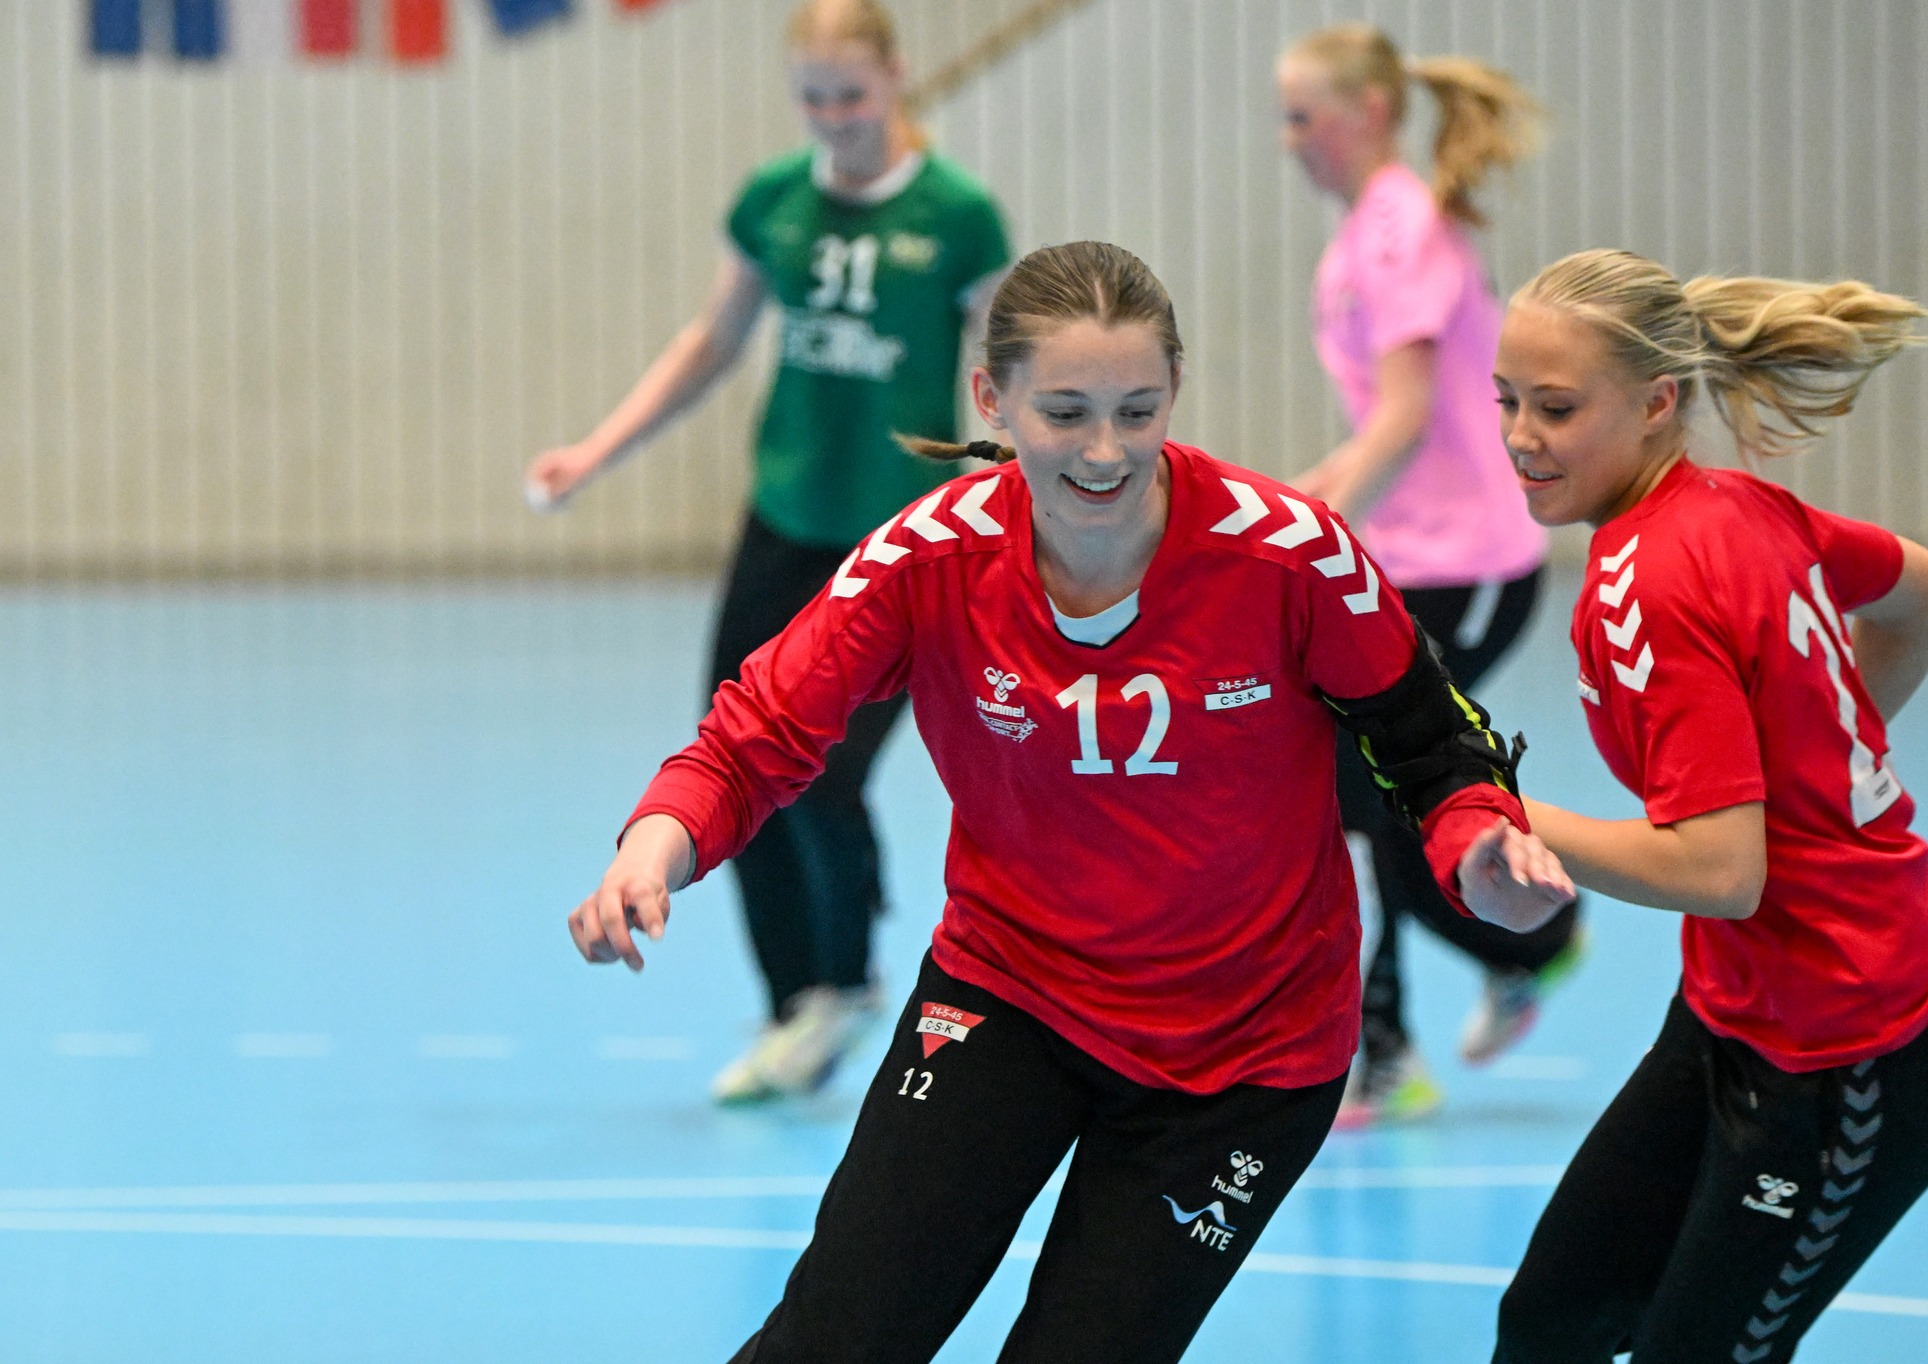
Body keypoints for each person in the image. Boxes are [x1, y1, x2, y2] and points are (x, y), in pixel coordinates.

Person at [567, 241, 1574, 1363]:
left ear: (1175, 390)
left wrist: (1477, 842)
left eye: (1137, 411)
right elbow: (755, 733)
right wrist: (653, 848)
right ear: (990, 398)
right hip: (1013, 993)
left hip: (1247, 1050)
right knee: (835, 1339)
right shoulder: (929, 556)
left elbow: (1431, 743)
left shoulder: (1288, 555)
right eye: (1065, 413)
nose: (1105, 452)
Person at [1490, 248, 1928, 1363]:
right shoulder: (1733, 506)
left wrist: (1495, 810)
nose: (1521, 435)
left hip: (1855, 1049)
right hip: (1733, 1013)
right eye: (1506, 400)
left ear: (1656, 402)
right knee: (1551, 1321)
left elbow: (1719, 871)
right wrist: (1812, 752)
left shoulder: (1654, 584)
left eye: (1556, 408)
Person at [526, 0, 1011, 1103]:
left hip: (898, 539)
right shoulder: (775, 201)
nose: (834, 118)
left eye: (852, 96)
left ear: (895, 79)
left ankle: (848, 975)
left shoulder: (957, 214)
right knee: (735, 755)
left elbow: (1013, 368)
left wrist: (1029, 501)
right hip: (784, 518)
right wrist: (595, 450)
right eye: (813, 99)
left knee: (830, 771)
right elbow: (711, 341)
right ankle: (795, 1001)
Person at [1277, 22, 1584, 1126]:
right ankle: (1418, 1019)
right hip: (1410, 557)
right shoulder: (1368, 229)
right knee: (1359, 793)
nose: (1289, 139)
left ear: (1365, 113)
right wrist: (1292, 503)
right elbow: (1381, 423)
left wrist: (1312, 527)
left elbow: (1405, 416)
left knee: (1373, 788)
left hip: (1468, 562)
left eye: (1303, 116)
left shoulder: (1400, 227)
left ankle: (1517, 948)